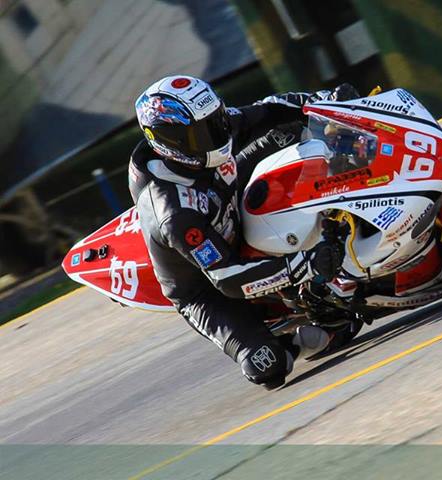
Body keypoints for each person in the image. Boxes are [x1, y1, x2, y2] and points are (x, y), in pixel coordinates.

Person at [128, 75, 358, 390]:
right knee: (267, 366)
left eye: (217, 120)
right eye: (204, 132)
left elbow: (267, 109)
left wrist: (327, 100)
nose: (219, 133)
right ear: (171, 142)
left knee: (289, 132)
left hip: (227, 197)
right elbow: (227, 278)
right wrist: (306, 264)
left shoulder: (211, 131)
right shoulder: (175, 214)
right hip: (208, 287)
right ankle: (299, 331)